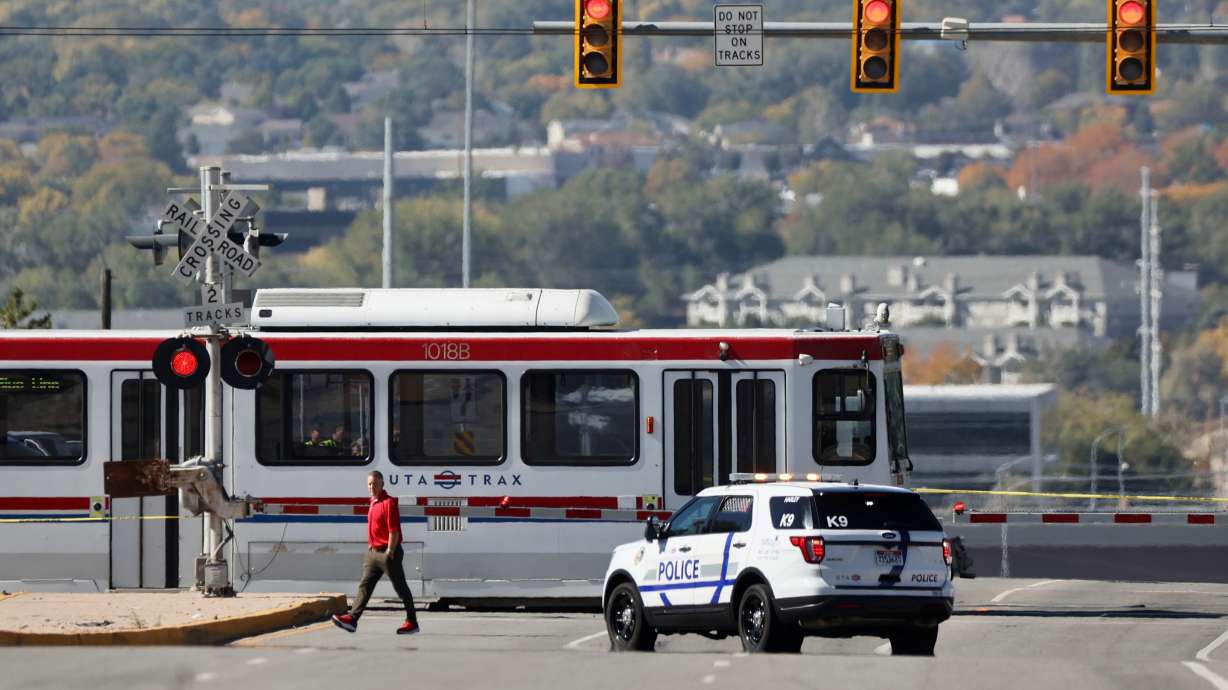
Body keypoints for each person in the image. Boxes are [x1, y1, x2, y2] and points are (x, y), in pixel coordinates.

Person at [332, 470, 420, 635]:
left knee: (401, 588)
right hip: (373, 552)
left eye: (375, 483)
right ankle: (352, 619)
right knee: (365, 586)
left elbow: (393, 531)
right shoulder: (373, 502)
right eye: (369, 484)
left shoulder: (388, 503)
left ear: (382, 484)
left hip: (387, 552)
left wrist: (390, 551)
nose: (372, 487)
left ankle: (412, 622)